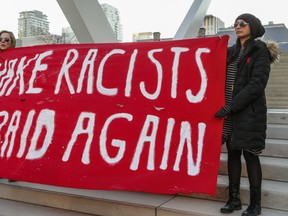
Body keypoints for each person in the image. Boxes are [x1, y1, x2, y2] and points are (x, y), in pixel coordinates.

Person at [215, 14, 279, 216]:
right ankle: (234, 199)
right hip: (230, 114)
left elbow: (256, 85)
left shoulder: (259, 50)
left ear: (253, 27)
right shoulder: (231, 51)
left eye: (243, 23)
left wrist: (231, 106)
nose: (237, 26)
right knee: (232, 154)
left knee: (251, 157)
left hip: (249, 113)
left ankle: (255, 204)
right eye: (235, 24)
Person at [0, 30, 17, 182]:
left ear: (12, 42)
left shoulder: (20, 60)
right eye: (1, 39)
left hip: (12, 105)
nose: (3, 42)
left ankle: (12, 171)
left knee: (11, 136)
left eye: (7, 39)